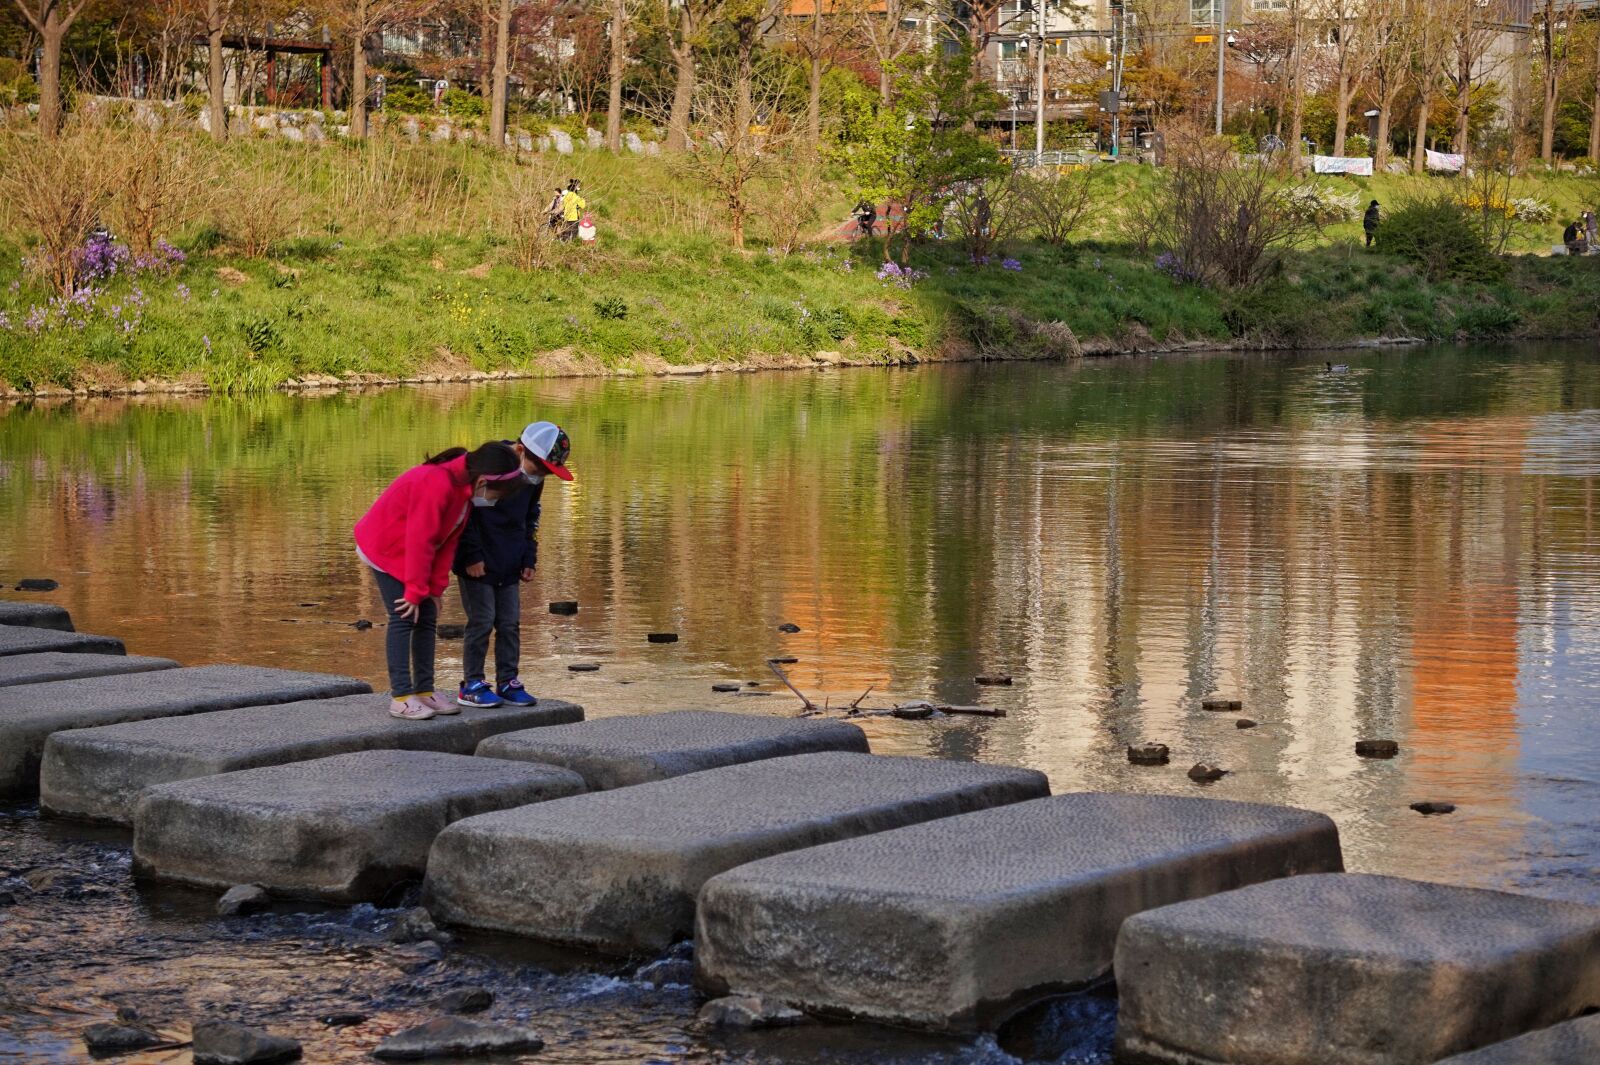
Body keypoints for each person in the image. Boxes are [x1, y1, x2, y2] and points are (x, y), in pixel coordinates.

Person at [354, 442, 525, 720]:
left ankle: (423, 690)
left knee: (428, 614)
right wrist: (414, 590)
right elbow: (420, 540)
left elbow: (447, 541)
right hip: (385, 546)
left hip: (410, 550)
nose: (494, 501)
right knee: (404, 615)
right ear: (483, 480)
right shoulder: (436, 483)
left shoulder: (463, 489)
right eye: (496, 494)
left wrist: (434, 588)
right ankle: (400, 697)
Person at [453, 422, 574, 709]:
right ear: (521, 450)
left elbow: (531, 516)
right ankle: (471, 683)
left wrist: (528, 557)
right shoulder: (489, 465)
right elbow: (463, 515)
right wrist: (471, 557)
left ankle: (508, 680)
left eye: (547, 472)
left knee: (509, 623)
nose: (540, 476)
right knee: (482, 621)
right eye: (539, 468)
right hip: (477, 563)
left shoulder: (534, 479)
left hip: (510, 560)